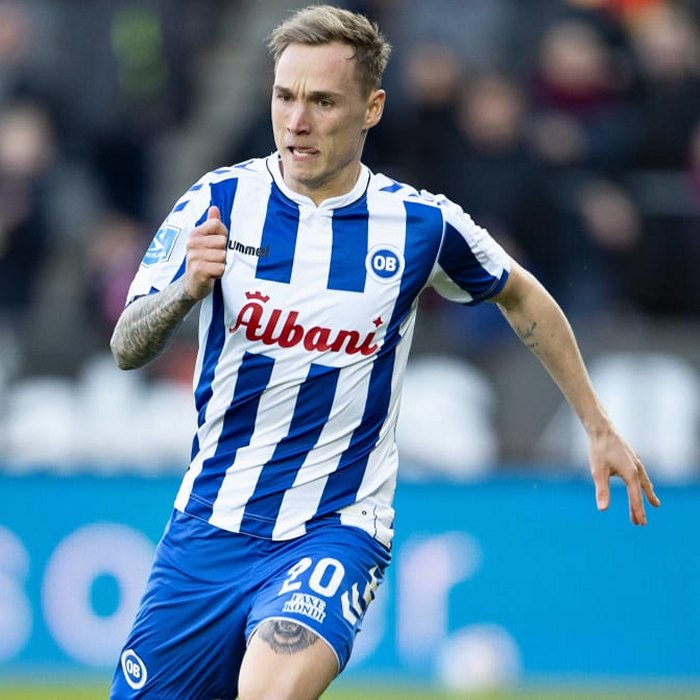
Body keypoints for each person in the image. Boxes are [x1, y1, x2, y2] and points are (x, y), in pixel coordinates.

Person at [108, 5, 660, 699]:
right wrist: (185, 291)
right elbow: (127, 344)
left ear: (371, 108)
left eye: (322, 101)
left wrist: (598, 425)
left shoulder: (420, 224)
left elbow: (524, 297)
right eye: (284, 97)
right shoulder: (218, 200)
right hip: (207, 529)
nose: (297, 121)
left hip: (334, 531)